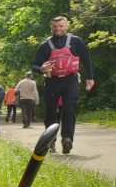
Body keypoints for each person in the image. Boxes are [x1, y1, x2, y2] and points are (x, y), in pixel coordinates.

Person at [32, 15, 95, 154]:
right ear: (51, 27)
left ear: (66, 26)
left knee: (69, 109)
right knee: (50, 114)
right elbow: (34, 65)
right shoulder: (45, 45)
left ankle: (67, 139)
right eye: (55, 26)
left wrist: (90, 78)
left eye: (61, 26)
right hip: (52, 82)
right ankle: (50, 141)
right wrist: (41, 69)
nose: (58, 29)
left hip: (70, 80)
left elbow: (86, 59)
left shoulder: (75, 41)